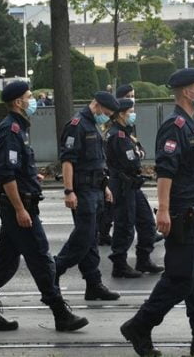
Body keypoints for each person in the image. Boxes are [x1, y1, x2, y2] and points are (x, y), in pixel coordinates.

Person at [120, 68, 194, 357]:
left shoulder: (188, 123)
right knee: (180, 279)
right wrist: (163, 211)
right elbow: (165, 171)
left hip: (193, 214)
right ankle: (140, 325)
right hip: (180, 214)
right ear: (187, 91)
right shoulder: (175, 125)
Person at [0, 81, 88, 333]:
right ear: (18, 102)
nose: (33, 100)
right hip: (18, 206)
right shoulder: (10, 130)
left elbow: (15, 170)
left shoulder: (17, 128)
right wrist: (19, 209)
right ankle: (60, 313)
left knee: (5, 261)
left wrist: (30, 178)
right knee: (40, 257)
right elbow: (6, 174)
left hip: (19, 203)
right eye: (29, 97)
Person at [56, 91, 121, 301]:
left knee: (90, 239)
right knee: (82, 238)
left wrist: (105, 187)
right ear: (98, 105)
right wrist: (69, 191)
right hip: (82, 191)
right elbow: (67, 161)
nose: (108, 117)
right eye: (108, 112)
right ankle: (53, 271)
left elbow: (97, 161)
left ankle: (93, 284)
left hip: (95, 189)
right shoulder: (77, 124)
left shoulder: (92, 124)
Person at [105, 98, 164, 278]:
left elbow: (140, 151)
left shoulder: (126, 133)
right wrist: (138, 153)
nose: (133, 114)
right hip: (122, 186)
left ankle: (143, 259)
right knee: (124, 226)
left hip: (132, 184)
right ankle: (119, 264)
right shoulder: (117, 135)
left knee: (146, 222)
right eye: (131, 111)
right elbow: (132, 159)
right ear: (121, 114)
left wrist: (138, 152)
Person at [98, 83, 135, 246]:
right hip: (118, 176)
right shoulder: (115, 133)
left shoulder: (122, 129)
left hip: (123, 178)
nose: (132, 99)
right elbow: (129, 157)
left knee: (117, 209)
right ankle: (103, 234)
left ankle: (147, 232)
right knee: (113, 209)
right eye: (128, 96)